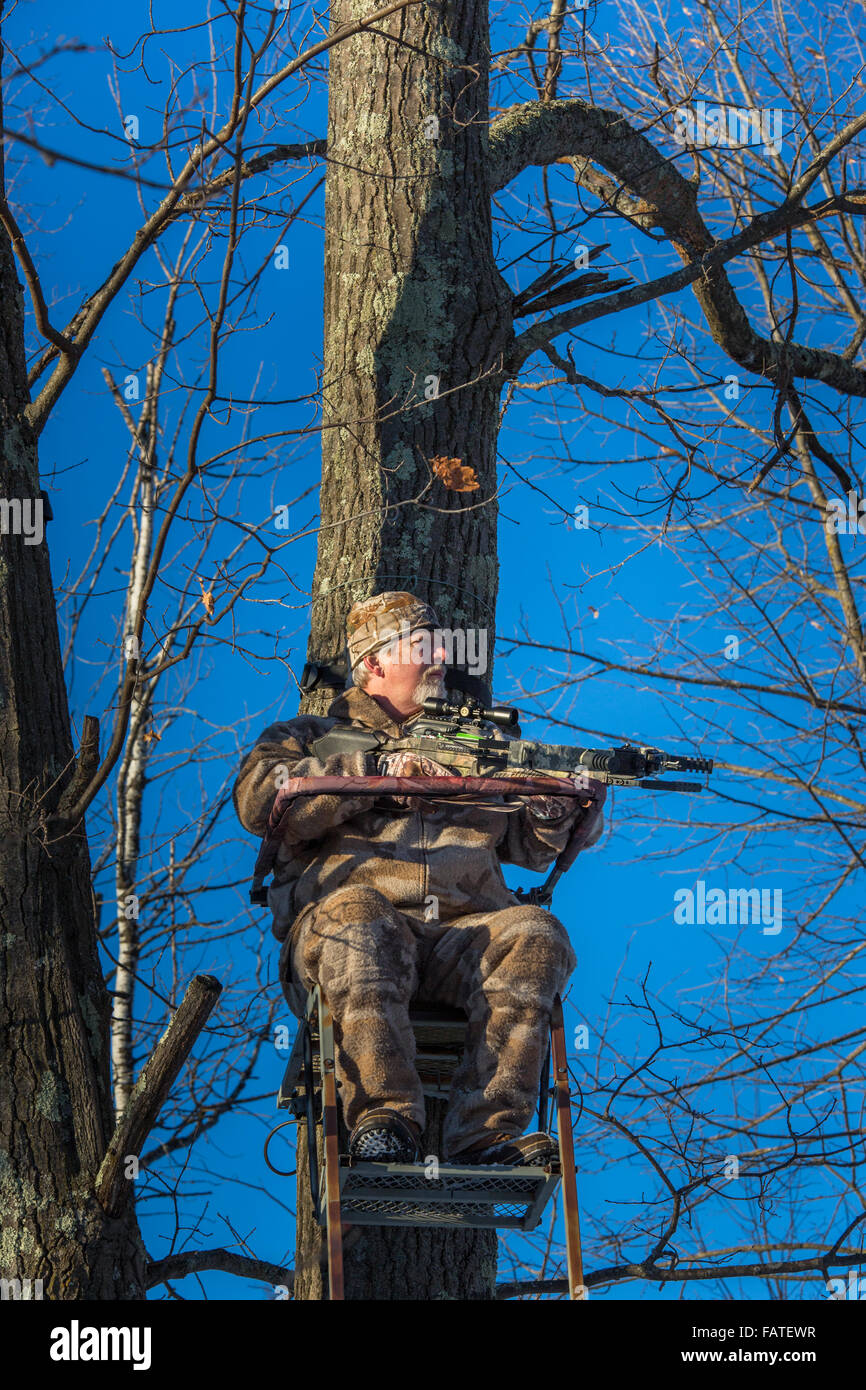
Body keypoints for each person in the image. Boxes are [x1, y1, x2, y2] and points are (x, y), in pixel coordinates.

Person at [233, 591, 606, 1166]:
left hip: (463, 941)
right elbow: (261, 800)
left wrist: (551, 809)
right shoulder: (306, 736)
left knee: (535, 932)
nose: (439, 657)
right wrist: (375, 772)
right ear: (373, 664)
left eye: (441, 644)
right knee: (360, 915)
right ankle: (383, 1123)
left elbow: (529, 850)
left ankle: (488, 1138)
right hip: (350, 938)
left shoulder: (478, 745)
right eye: (421, 645)